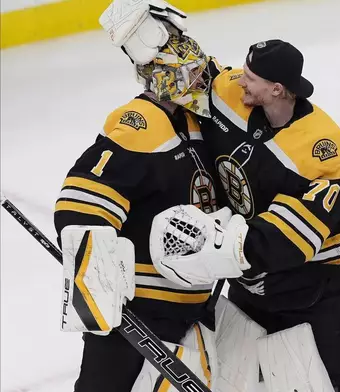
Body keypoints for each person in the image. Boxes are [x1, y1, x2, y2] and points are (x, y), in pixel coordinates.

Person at [144, 33, 340, 392]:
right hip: (253, 281)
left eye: (251, 77)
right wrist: (153, 37)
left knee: (319, 382)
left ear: (277, 89)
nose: (239, 79)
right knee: (246, 380)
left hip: (321, 284)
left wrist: (218, 248)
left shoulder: (320, 147)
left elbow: (291, 239)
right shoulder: (235, 92)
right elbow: (199, 74)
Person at [54, 3, 225, 390]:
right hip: (139, 319)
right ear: (163, 78)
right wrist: (100, 288)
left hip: (190, 315)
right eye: (190, 75)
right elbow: (78, 204)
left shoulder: (192, 122)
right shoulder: (142, 125)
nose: (201, 81)